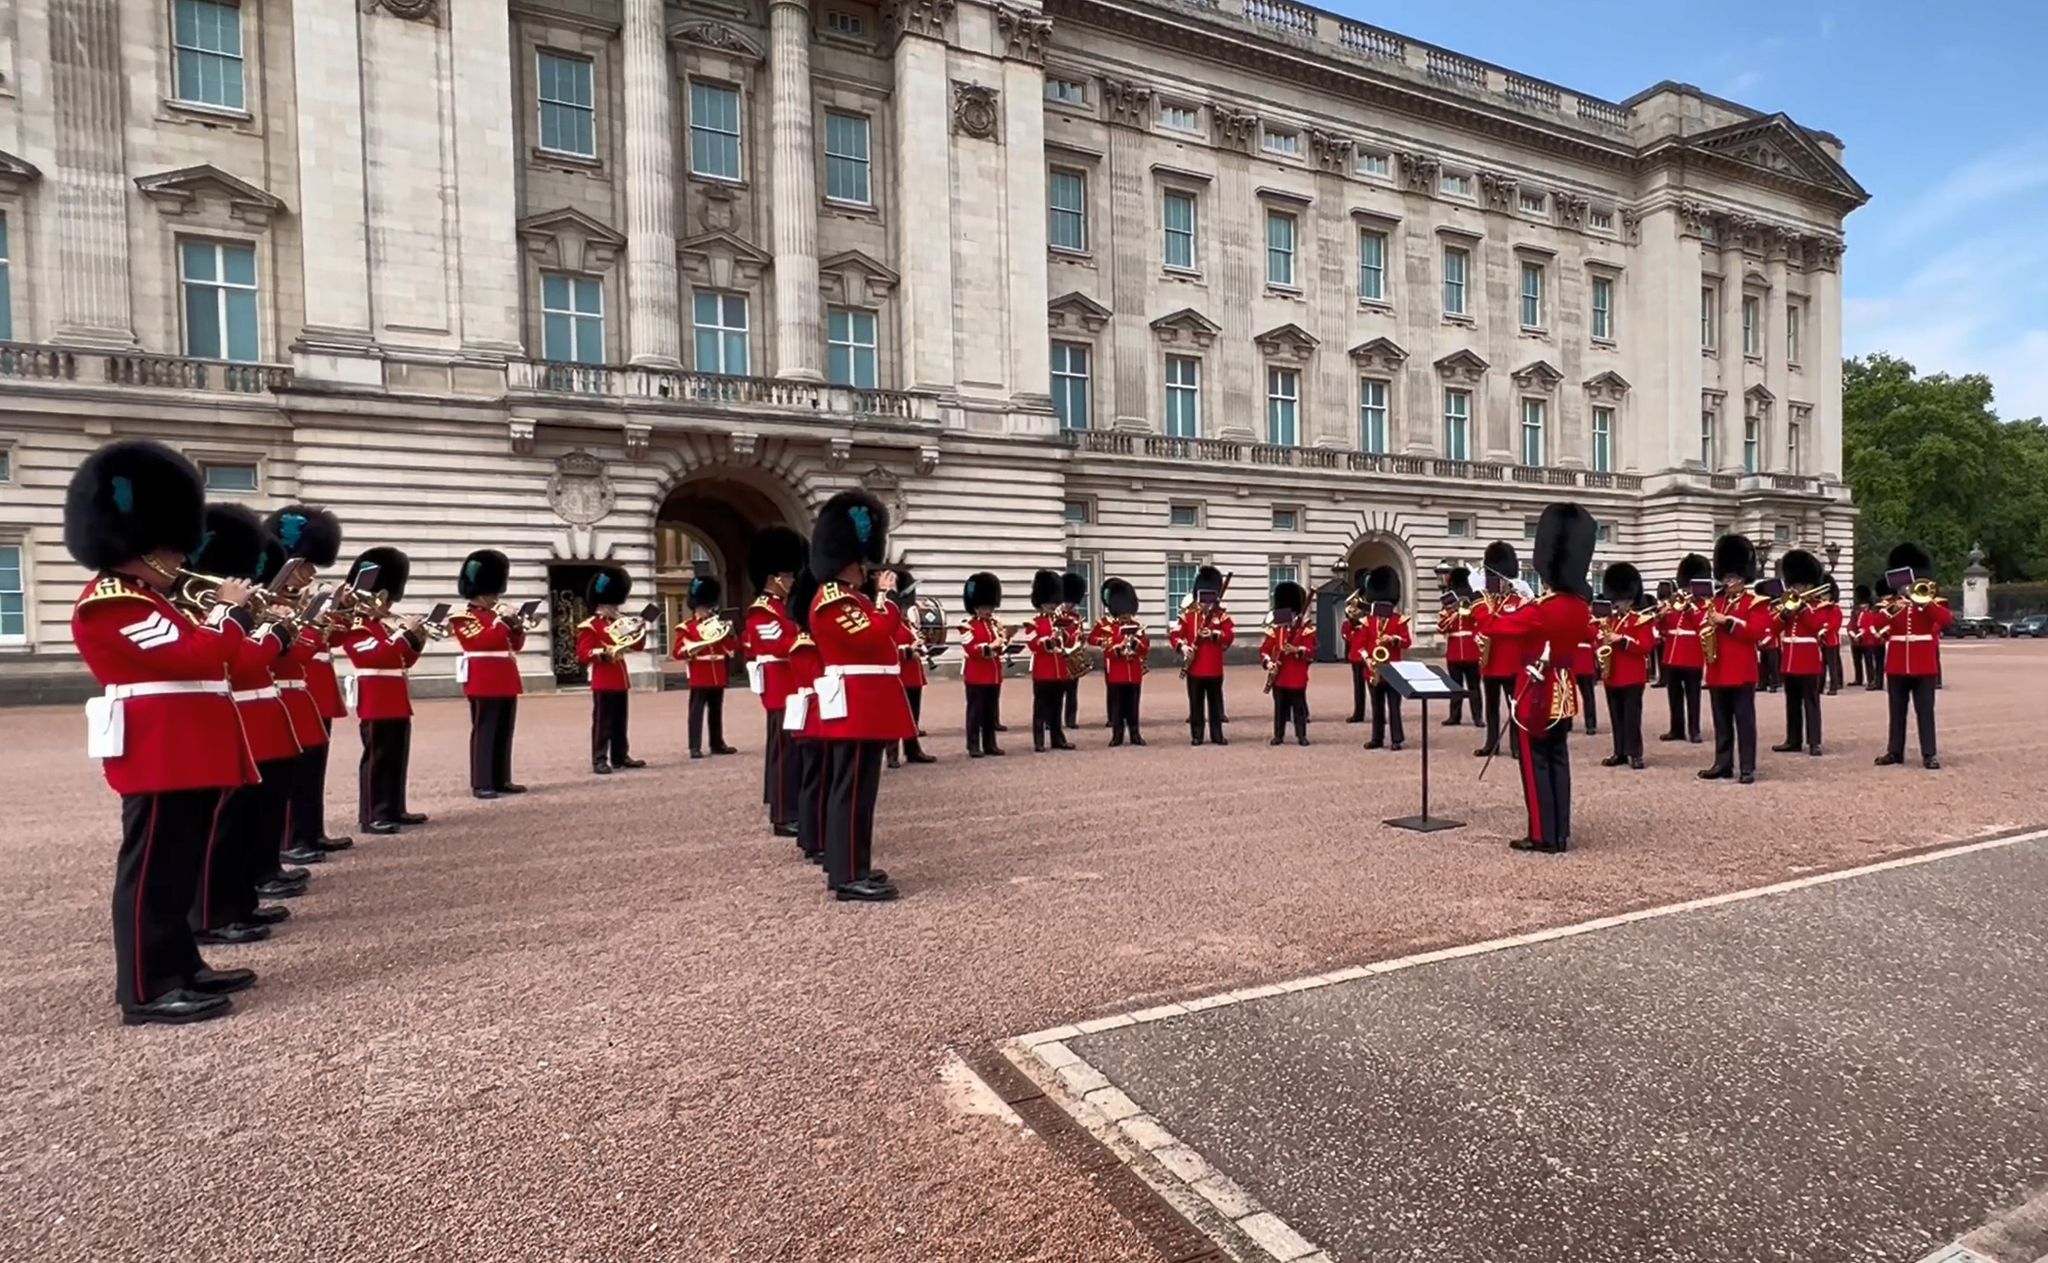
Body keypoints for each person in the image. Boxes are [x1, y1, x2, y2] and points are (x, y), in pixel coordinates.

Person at [65, 439, 257, 1025]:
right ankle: (146, 989)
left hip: (185, 750)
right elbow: (191, 658)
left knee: (176, 868)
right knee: (150, 871)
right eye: (174, 547)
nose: (181, 557)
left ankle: (181, 966)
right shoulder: (112, 602)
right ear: (143, 544)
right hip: (159, 752)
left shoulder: (154, 600)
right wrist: (228, 612)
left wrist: (221, 617)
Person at [181, 508, 306, 944]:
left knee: (249, 820)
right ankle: (213, 913)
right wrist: (272, 632)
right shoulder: (196, 608)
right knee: (225, 825)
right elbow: (238, 661)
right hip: (232, 716)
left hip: (255, 715)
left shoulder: (223, 606)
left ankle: (239, 902)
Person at [806, 490, 914, 902]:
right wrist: (888, 598)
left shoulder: (852, 599)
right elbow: (872, 636)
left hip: (865, 704)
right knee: (851, 793)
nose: (866, 569)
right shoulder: (834, 601)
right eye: (861, 563)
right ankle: (849, 875)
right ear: (846, 562)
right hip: (855, 705)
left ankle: (850, 864)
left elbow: (885, 637)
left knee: (858, 792)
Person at [1471, 503, 1595, 853]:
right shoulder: (1578, 607)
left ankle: (1542, 835)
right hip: (1564, 692)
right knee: (1559, 760)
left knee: (1534, 763)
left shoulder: (1541, 610)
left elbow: (1492, 626)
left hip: (1535, 691)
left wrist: (1479, 600)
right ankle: (1561, 832)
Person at [264, 504, 352, 857]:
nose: (311, 572)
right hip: (283, 692)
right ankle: (292, 838)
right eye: (305, 565)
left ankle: (311, 831)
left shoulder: (305, 599)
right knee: (290, 771)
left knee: (312, 767)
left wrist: (340, 611)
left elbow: (334, 640)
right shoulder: (269, 600)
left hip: (308, 689)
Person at [339, 548, 424, 836]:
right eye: (385, 600)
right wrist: (404, 634)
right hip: (376, 701)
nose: (388, 606)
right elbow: (375, 657)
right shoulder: (357, 627)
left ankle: (394, 807)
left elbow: (402, 661)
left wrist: (416, 640)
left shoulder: (382, 628)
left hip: (396, 699)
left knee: (396, 758)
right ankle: (373, 814)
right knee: (377, 759)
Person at [741, 527, 807, 838]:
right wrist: (807, 638)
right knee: (785, 753)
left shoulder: (782, 607)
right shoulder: (762, 610)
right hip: (780, 688)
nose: (792, 580)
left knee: (787, 750)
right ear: (774, 577)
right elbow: (777, 645)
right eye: (788, 575)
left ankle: (782, 803)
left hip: (790, 685)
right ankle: (784, 815)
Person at [451, 549, 527, 799]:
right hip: (483, 679)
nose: (496, 597)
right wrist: (503, 622)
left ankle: (501, 778)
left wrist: (517, 627)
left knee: (504, 731)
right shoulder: (463, 617)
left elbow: (516, 645)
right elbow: (482, 641)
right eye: (492, 593)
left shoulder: (496, 616)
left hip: (505, 677)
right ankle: (481, 781)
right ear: (480, 592)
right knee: (485, 731)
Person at [1698, 535, 1772, 784]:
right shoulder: (1716, 601)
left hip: (1741, 670)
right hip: (1717, 668)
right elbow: (1702, 625)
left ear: (1743, 578)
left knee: (1744, 721)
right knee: (1721, 721)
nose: (1728, 582)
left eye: (1732, 578)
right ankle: (1723, 763)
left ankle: (1747, 767)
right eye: (1726, 578)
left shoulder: (1755, 603)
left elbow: (1756, 632)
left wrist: (1727, 621)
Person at [1875, 543, 1952, 770]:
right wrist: (1892, 609)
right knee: (1896, 711)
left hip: (1923, 664)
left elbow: (1946, 619)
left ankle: (1929, 754)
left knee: (1925, 711)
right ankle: (1894, 751)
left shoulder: (1930, 603)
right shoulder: (1892, 605)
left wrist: (1924, 603)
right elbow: (1877, 624)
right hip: (1897, 664)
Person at [576, 567, 649, 774]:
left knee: (620, 721)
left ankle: (620, 756)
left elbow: (637, 646)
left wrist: (639, 630)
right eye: (611, 605)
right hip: (603, 677)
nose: (615, 608)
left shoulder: (621, 622)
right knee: (603, 722)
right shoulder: (590, 626)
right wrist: (604, 652)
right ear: (602, 604)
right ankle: (599, 758)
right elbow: (583, 654)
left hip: (619, 676)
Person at [671, 574, 740, 762]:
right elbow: (677, 652)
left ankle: (717, 743)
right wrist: (691, 650)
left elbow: (732, 647)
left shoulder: (719, 625)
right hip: (700, 673)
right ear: (695, 607)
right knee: (696, 712)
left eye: (707, 607)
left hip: (717, 671)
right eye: (702, 608)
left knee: (716, 710)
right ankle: (694, 746)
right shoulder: (687, 627)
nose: (706, 611)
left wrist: (731, 635)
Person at [783, 568, 827, 863]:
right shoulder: (806, 645)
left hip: (813, 718)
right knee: (817, 783)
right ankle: (815, 840)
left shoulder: (807, 641)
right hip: (815, 719)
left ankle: (812, 838)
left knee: (815, 781)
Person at [1594, 564, 1653, 770]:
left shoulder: (1641, 620)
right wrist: (1600, 638)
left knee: (1631, 717)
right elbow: (1595, 640)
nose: (1616, 604)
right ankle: (1619, 751)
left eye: (1620, 600)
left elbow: (1645, 646)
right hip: (1612, 674)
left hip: (1632, 675)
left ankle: (1635, 753)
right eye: (1615, 600)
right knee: (1616, 715)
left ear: (1630, 599)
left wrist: (1622, 639)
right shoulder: (1607, 620)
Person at [1771, 549, 1829, 757]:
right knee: (1792, 703)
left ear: (1809, 586)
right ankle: (1793, 740)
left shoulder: (1819, 606)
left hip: (1808, 660)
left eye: (1799, 585)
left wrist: (1803, 609)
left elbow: (1817, 626)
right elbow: (1773, 628)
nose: (1795, 589)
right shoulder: (1788, 605)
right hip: (1790, 660)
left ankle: (1814, 741)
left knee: (1811, 702)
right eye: (1793, 585)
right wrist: (1783, 615)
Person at [1170, 566, 1234, 746]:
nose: (1205, 603)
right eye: (1203, 598)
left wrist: (1214, 634)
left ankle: (1217, 735)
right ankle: (1197, 735)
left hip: (1214, 668)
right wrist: (1183, 647)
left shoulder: (1221, 616)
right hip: (1195, 667)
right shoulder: (1188, 616)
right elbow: (1175, 635)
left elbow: (1229, 636)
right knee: (1196, 704)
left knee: (1215, 704)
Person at [1474, 541, 1524, 759]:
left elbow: (1514, 627)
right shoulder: (1485, 602)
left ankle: (1517, 745)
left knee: (1514, 706)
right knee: (1491, 707)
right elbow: (1480, 624)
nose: (1496, 583)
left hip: (1511, 662)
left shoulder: (1519, 601)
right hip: (1490, 662)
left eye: (1498, 579)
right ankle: (1491, 743)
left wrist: (1493, 621)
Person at [885, 567, 937, 768]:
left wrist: (922, 646)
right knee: (894, 716)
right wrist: (909, 650)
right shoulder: (889, 623)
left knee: (912, 717)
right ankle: (892, 753)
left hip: (913, 676)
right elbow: (886, 650)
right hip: (899, 676)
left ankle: (912, 750)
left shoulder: (908, 623)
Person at [1356, 566, 1411, 751]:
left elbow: (1407, 642)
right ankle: (1377, 738)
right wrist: (1368, 660)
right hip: (1373, 669)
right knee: (1377, 706)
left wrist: (1393, 639)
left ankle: (1396, 739)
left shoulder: (1399, 620)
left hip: (1393, 669)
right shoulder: (1368, 621)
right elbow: (1359, 645)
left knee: (1394, 706)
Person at [1024, 569, 1078, 753]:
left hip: (1059, 670)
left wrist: (1066, 634)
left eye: (1054, 603)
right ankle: (1039, 740)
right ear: (1040, 603)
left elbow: (1069, 642)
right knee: (1040, 708)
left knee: (1057, 707)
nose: (1052, 606)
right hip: (1043, 671)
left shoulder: (1062, 621)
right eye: (1048, 603)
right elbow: (1032, 643)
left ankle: (1057, 739)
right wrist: (1048, 641)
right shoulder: (1033, 623)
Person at [1658, 553, 1709, 744]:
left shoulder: (1704, 604)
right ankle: (1676, 729)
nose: (1687, 590)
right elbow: (1665, 630)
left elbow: (1703, 625)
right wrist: (1661, 617)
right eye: (1686, 586)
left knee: (1693, 695)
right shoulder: (1675, 602)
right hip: (1671, 656)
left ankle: (1694, 730)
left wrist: (1690, 609)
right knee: (1674, 695)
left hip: (1691, 655)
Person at [1092, 577, 1149, 747]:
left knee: (1133, 707)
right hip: (1117, 673)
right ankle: (1117, 736)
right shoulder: (1111, 629)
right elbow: (1107, 649)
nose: (1126, 617)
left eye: (1128, 614)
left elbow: (1145, 648)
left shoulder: (1137, 627)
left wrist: (1136, 644)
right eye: (1123, 614)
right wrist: (1117, 648)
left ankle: (1135, 734)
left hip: (1134, 674)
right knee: (1117, 708)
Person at [959, 572, 1008, 758]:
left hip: (993, 675)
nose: (989, 610)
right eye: (986, 607)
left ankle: (990, 744)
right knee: (975, 713)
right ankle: (973, 745)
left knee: (989, 713)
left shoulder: (993, 625)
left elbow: (999, 649)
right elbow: (971, 650)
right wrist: (991, 646)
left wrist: (1003, 643)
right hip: (976, 676)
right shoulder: (967, 626)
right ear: (976, 607)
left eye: (990, 607)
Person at [1260, 581, 1315, 746]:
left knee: (1299, 709)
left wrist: (1296, 650)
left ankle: (1301, 735)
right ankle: (1279, 735)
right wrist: (1268, 662)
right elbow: (1264, 650)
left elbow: (1311, 651)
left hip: (1297, 676)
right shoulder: (1275, 630)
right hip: (1279, 676)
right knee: (1279, 709)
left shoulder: (1305, 629)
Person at [1436, 568, 1482, 728]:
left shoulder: (1475, 601)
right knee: (1455, 686)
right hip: (1455, 650)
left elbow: (1480, 623)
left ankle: (1478, 717)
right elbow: (1441, 628)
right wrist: (1452, 615)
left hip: (1471, 649)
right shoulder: (1449, 605)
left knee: (1474, 686)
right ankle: (1454, 716)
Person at [1340, 570, 1370, 725]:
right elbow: (1347, 634)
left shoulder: (1371, 605)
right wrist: (1354, 621)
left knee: (1376, 686)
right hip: (1357, 653)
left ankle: (1379, 714)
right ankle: (1359, 713)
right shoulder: (1357, 601)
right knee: (1358, 686)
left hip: (1371, 652)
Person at [1060, 571, 1088, 730]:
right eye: (1066, 601)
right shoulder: (1055, 617)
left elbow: (1079, 635)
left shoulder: (1077, 618)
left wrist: (1081, 639)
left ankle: (1070, 720)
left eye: (1070, 602)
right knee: (1056, 694)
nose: (1068, 604)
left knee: (1072, 692)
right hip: (1059, 657)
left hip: (1073, 658)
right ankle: (1051, 721)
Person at [1820, 577, 1846, 696]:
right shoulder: (1820, 609)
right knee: (1821, 666)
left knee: (1832, 666)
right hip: (1821, 641)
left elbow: (1835, 624)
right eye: (1822, 595)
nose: (1824, 597)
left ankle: (1834, 686)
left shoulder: (1835, 609)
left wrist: (1825, 629)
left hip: (1831, 641)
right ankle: (1819, 687)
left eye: (1826, 595)